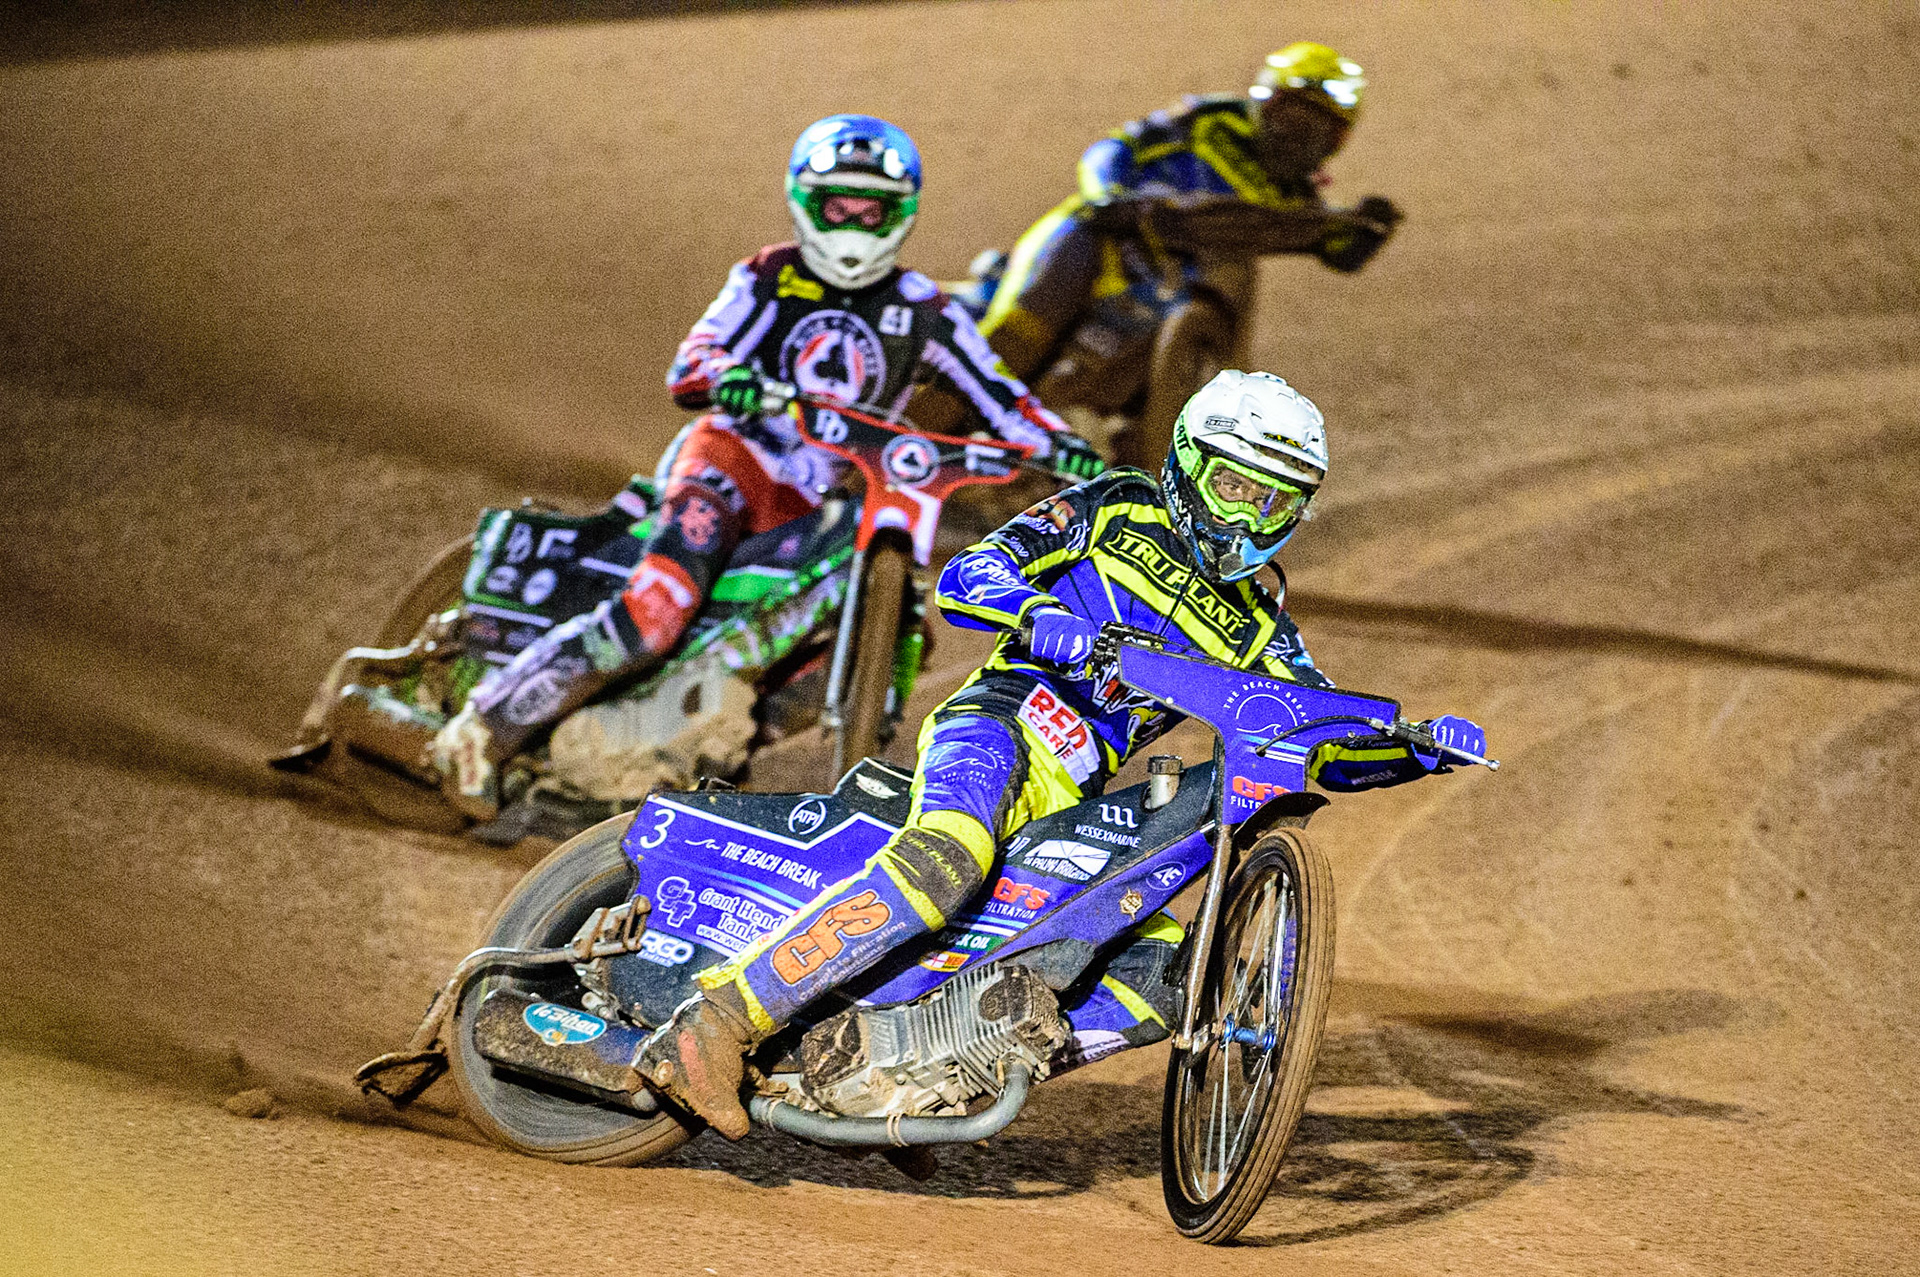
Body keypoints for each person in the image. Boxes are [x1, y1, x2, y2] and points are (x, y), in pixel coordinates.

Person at [634, 368, 1487, 1138]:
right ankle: (722, 1021)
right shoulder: (1116, 505)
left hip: (1078, 795)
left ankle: (924, 1066)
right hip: (1000, 722)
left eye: (1269, 503)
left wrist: (1411, 750)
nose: (1242, 518)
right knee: (951, 854)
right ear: (1190, 463)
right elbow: (974, 572)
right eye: (1232, 487)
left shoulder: (1263, 628)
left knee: (1164, 971)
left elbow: (1315, 738)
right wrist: (1045, 617)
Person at [422, 114, 1104, 817]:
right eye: (839, 205)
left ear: (900, 214)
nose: (853, 222)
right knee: (659, 609)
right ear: (807, 201)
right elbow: (695, 359)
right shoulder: (766, 277)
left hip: (821, 499)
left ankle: (689, 759)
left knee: (872, 635)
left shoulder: (923, 309)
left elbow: (1004, 397)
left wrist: (1067, 449)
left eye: (871, 209)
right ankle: (483, 727)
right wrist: (728, 377)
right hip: (734, 458)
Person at [977, 42, 1404, 381]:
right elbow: (1115, 148)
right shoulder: (1209, 120)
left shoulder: (1296, 202)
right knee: (1019, 335)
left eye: (1319, 130)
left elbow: (1339, 250)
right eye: (1293, 117)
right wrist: (1107, 194)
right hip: (1100, 243)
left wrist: (1368, 226)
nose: (1299, 137)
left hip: (1171, 296)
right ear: (1266, 103)